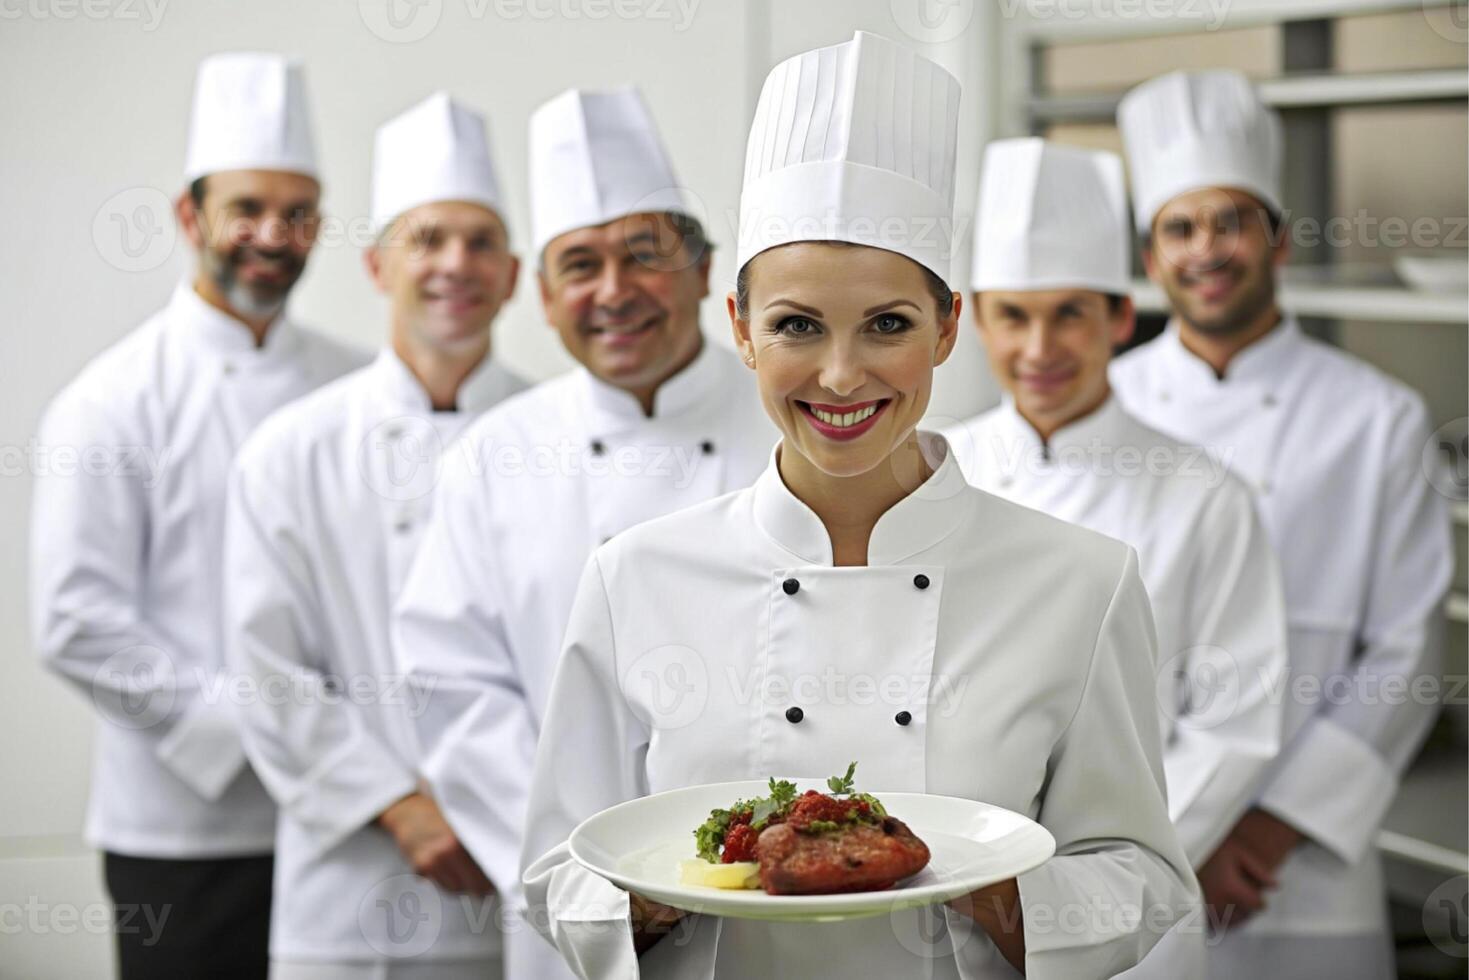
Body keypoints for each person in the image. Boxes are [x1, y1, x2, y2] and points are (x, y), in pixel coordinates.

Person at [519, 31, 1200, 979]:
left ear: (948, 327)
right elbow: (557, 872)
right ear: (741, 333)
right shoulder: (635, 575)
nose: (841, 376)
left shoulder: (1080, 581)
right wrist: (686, 882)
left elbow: (1140, 874)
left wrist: (985, 886)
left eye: (888, 324)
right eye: (797, 325)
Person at [392, 86, 777, 977]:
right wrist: (586, 875)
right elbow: (451, 686)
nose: (614, 292)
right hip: (576, 908)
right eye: (580, 265)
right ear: (544, 293)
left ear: (704, 267)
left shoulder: (789, 419)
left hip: (773, 892)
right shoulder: (493, 454)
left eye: (643, 255)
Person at [1111, 69, 1455, 979]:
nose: (1205, 248)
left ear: (1279, 240)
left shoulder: (1376, 415)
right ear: (1150, 258)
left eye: (1231, 220)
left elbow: (1406, 648)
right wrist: (1181, 833)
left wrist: (1262, 830)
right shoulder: (1107, 407)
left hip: (1299, 854)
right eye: (1178, 227)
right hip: (1136, 841)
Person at [29, 53, 367, 979]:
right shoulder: (110, 402)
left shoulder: (354, 384)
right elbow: (75, 620)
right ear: (190, 217)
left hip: (354, 813)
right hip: (185, 829)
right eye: (247, 208)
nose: (272, 233)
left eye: (297, 213)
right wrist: (257, 732)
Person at [945, 136, 1291, 975]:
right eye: (1013, 316)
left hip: (1127, 914)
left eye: (1068, 312)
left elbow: (1233, 722)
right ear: (972, 319)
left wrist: (1088, 881)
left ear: (1117, 317)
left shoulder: (1204, 494)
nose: (1039, 349)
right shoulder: (929, 472)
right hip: (946, 894)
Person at [223, 92, 526, 980]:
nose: (454, 263)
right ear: (376, 265)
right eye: (425, 239)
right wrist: (399, 805)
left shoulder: (550, 437)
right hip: (346, 891)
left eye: (480, 241)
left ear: (512, 275)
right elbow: (264, 667)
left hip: (518, 882)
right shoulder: (290, 449)